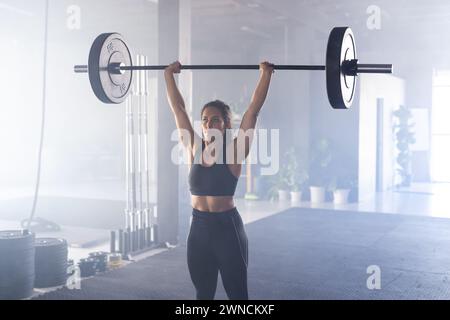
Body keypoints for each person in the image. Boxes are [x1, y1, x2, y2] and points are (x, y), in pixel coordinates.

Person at [164, 61, 274, 300]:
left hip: (227, 230)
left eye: (215, 120)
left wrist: (266, 74)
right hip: (198, 230)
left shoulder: (235, 151)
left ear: (225, 124)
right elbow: (178, 110)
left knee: (237, 296)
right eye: (204, 120)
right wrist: (168, 75)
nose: (208, 124)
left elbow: (252, 111)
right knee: (203, 294)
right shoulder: (193, 147)